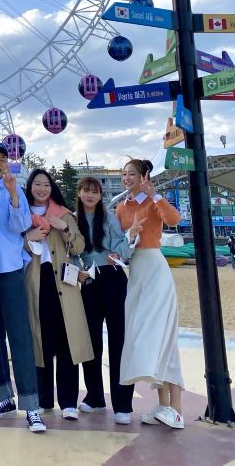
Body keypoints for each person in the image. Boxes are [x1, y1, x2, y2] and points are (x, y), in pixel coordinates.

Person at [0, 142, 46, 433]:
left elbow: (20, 225)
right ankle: (3, 399)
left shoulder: (13, 189)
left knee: (19, 337)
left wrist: (11, 193)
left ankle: (32, 407)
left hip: (9, 270)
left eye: (2, 159)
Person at [117, 158, 185, 430]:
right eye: (124, 174)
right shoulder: (122, 207)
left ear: (144, 175)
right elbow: (121, 245)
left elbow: (174, 219)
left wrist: (155, 194)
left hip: (156, 269)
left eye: (132, 173)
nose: (127, 178)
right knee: (146, 336)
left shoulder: (154, 202)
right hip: (135, 272)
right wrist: (128, 238)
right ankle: (163, 405)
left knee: (164, 335)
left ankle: (176, 410)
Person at [23, 169, 93, 420]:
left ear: (52, 188)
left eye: (46, 185)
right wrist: (27, 237)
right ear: (30, 187)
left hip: (63, 284)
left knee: (66, 342)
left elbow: (79, 246)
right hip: (34, 283)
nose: (41, 189)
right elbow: (9, 242)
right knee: (40, 342)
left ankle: (68, 402)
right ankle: (43, 399)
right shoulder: (21, 214)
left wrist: (63, 227)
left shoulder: (64, 214)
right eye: (37, 184)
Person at [75, 176, 134, 425]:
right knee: (91, 341)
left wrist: (117, 254)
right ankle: (95, 397)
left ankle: (123, 404)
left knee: (119, 339)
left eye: (95, 192)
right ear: (78, 193)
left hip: (113, 277)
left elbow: (124, 244)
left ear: (101, 195)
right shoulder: (73, 219)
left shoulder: (109, 217)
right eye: (86, 191)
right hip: (88, 281)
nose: (90, 195)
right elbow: (69, 251)